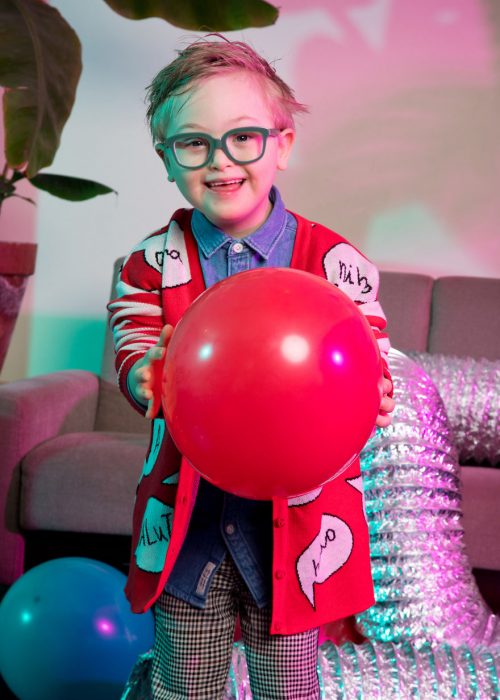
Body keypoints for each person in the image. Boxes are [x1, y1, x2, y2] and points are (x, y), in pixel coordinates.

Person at [108, 34, 394, 700]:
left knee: (288, 690)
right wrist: (145, 371)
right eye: (194, 144)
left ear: (282, 145)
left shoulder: (331, 261)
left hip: (293, 541)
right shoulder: (151, 263)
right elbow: (131, 345)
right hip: (190, 534)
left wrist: (377, 394)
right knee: (187, 687)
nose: (220, 161)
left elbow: (367, 354)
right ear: (168, 160)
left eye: (243, 138)